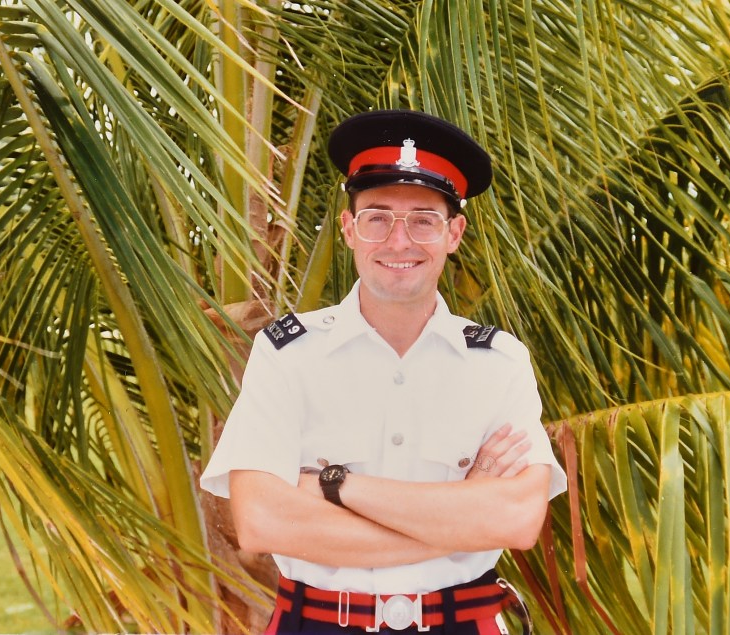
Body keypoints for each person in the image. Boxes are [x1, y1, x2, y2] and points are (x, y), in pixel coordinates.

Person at [200, 109, 567, 634]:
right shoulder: (287, 356)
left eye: (423, 219)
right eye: (377, 217)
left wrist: (334, 484)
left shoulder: (499, 363)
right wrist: (462, 518)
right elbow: (261, 521)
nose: (399, 241)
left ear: (455, 232)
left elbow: (516, 520)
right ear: (350, 229)